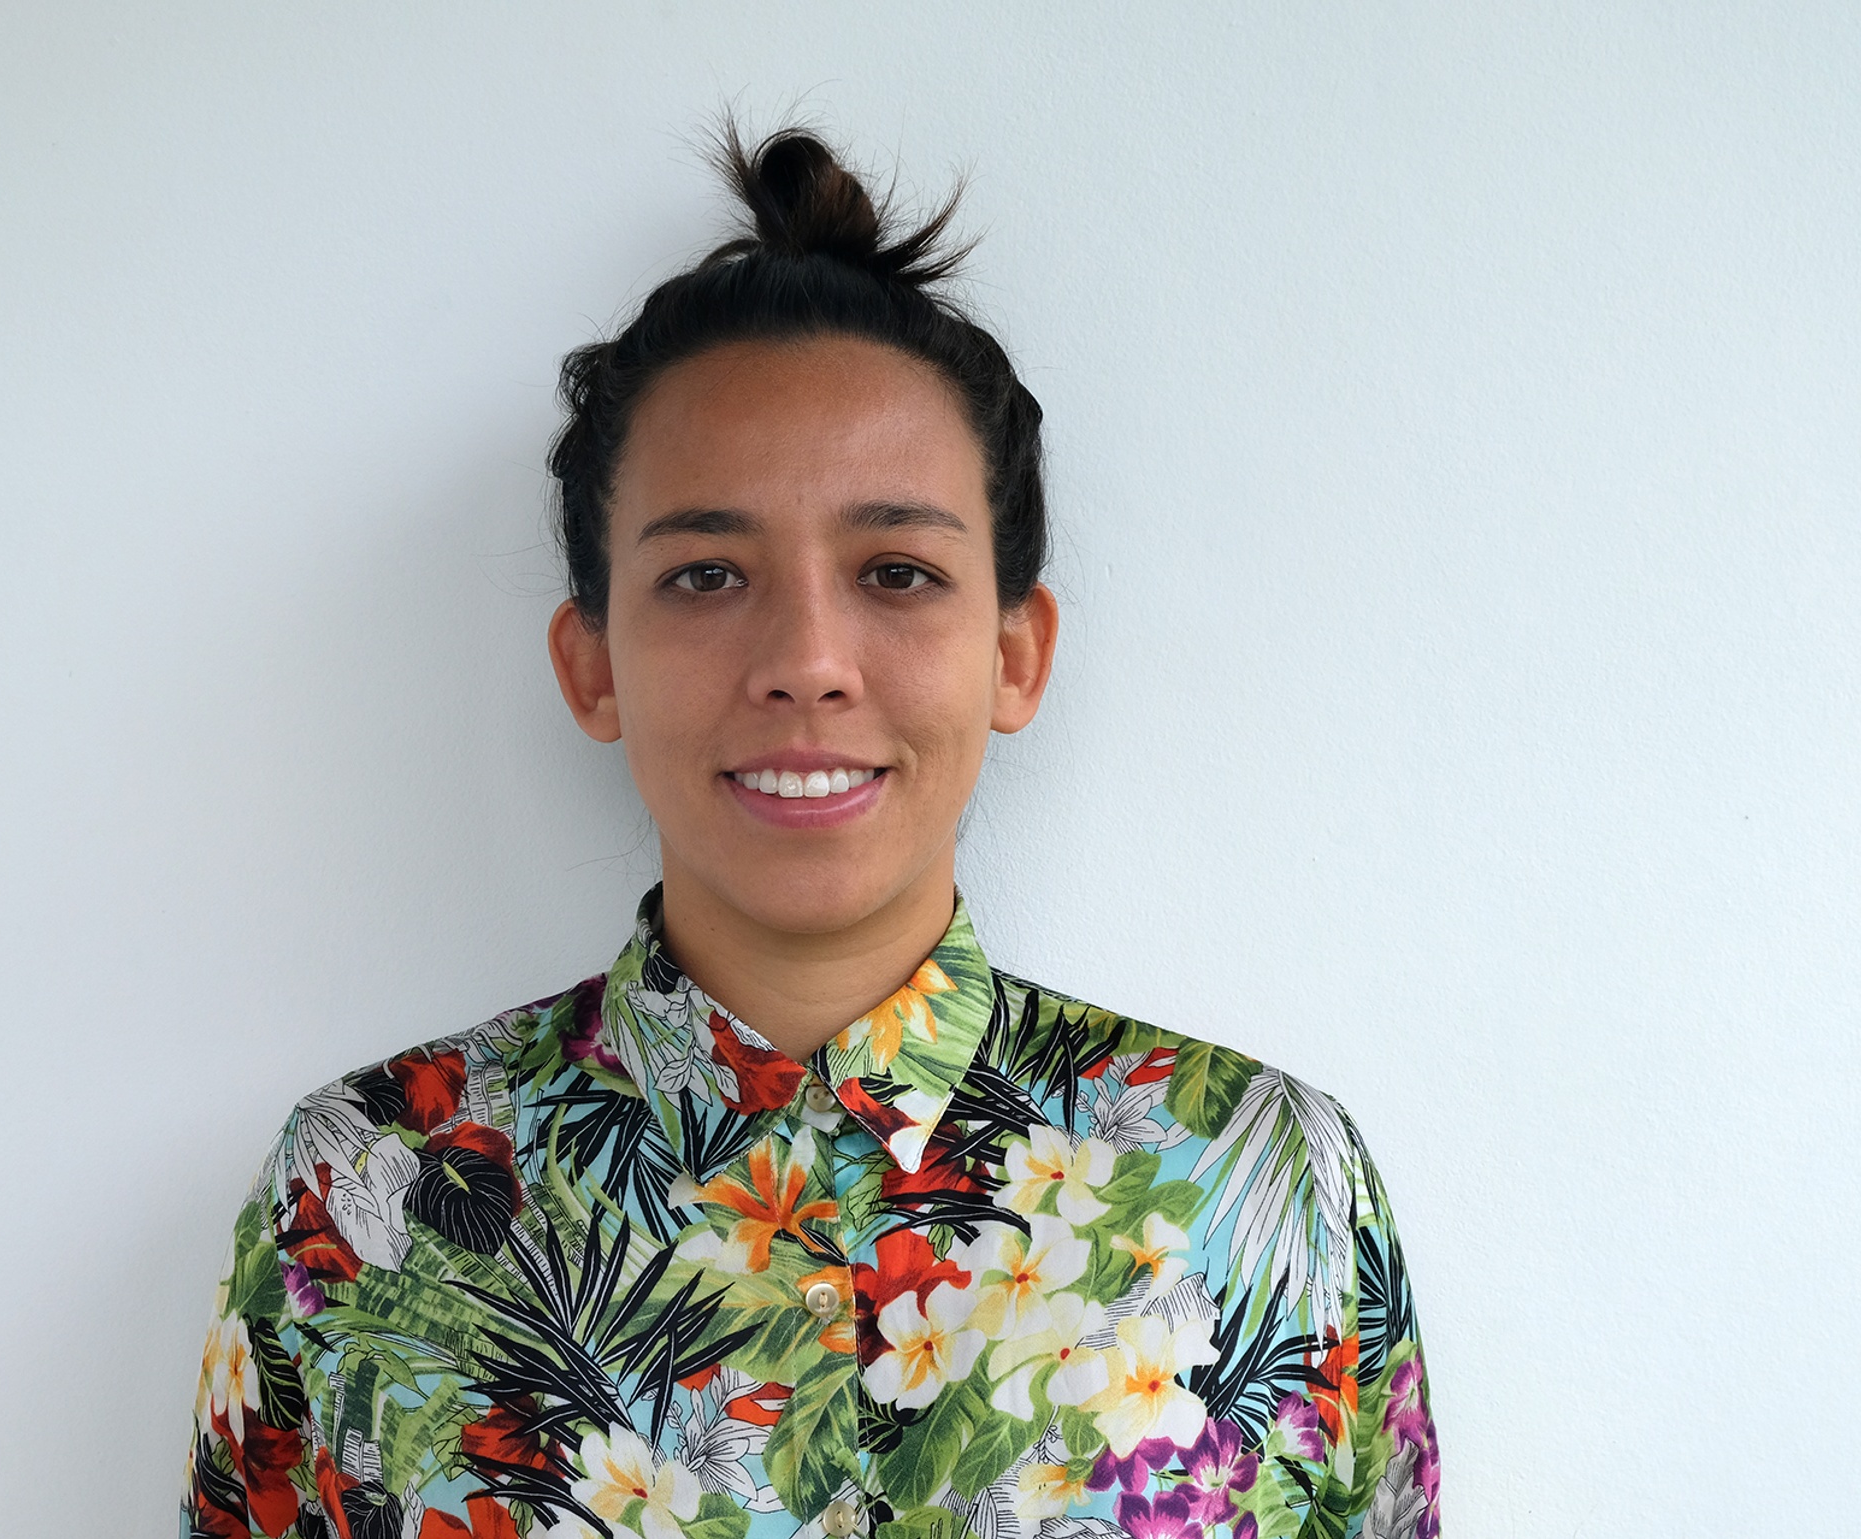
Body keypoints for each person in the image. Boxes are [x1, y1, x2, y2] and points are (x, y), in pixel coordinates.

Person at [181, 125, 1441, 1539]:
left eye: (896, 571)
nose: (808, 659)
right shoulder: (363, 1199)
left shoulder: (1262, 1183)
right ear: (592, 662)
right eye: (707, 574)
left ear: (1016, 656)